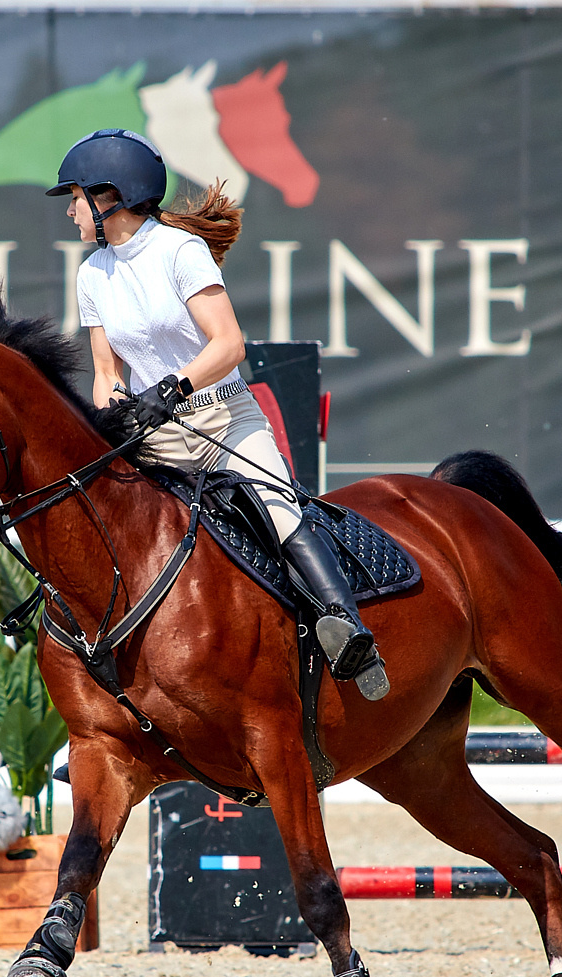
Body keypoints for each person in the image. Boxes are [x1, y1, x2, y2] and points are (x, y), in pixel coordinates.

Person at [49, 129, 389, 701]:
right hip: (151, 436)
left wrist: (173, 388)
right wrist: (110, 422)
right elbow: (106, 372)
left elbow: (229, 344)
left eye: (75, 199)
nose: (72, 213)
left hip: (224, 419)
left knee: (280, 512)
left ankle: (348, 630)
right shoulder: (92, 275)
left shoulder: (180, 252)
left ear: (108, 197)